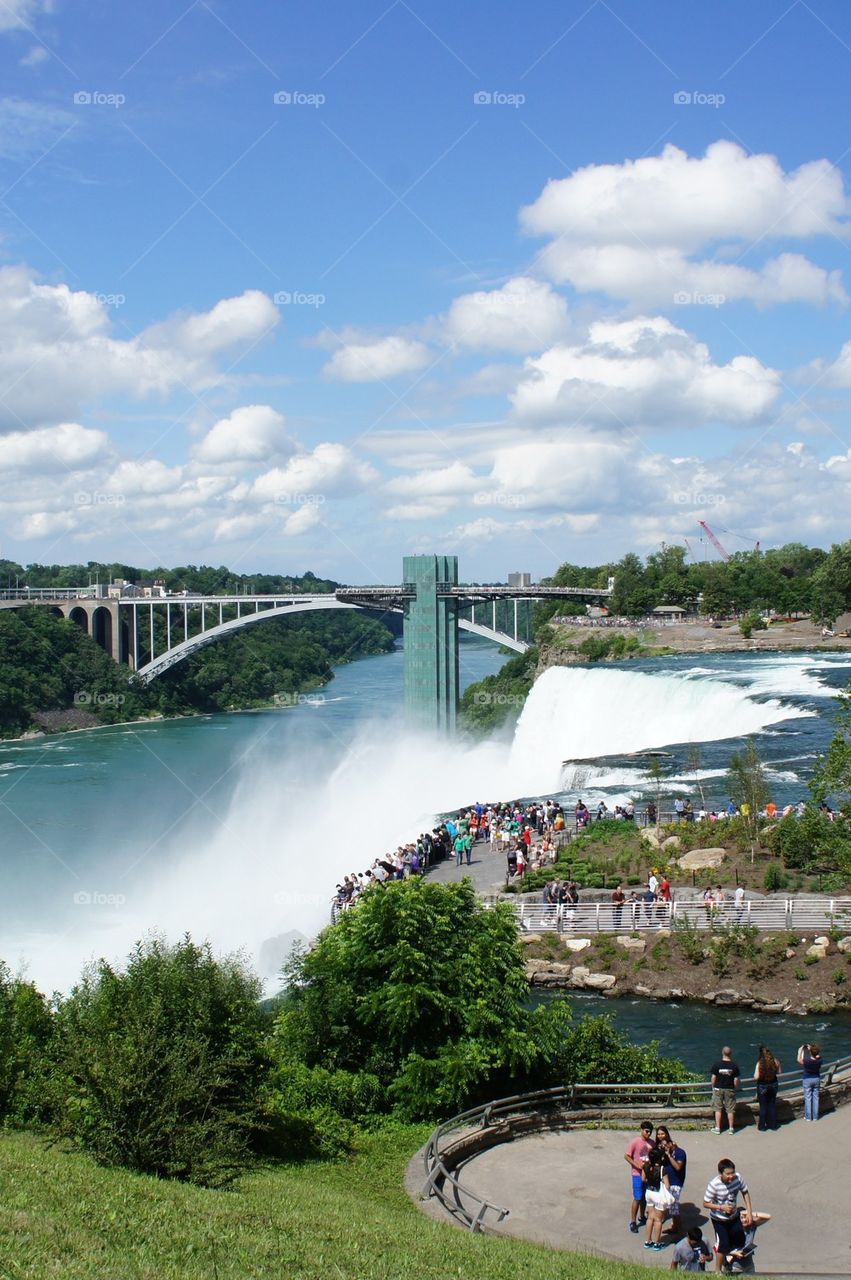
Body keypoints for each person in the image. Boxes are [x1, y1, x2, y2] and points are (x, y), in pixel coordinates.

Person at [703, 1159, 754, 1272]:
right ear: (721, 1173)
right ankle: (718, 1270)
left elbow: (745, 1192)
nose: (731, 1176)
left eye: (733, 1173)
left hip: (733, 1216)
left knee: (740, 1240)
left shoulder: (738, 1178)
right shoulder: (714, 1185)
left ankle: (727, 1259)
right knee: (724, 1244)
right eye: (728, 1174)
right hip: (719, 1219)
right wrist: (721, 1207)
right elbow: (705, 1203)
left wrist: (749, 1212)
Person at [654, 1125, 686, 1236]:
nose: (660, 1136)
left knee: (673, 1208)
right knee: (666, 1205)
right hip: (665, 1182)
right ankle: (675, 1227)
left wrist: (669, 1155)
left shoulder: (680, 1152)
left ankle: (679, 1229)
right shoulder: (660, 1151)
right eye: (658, 1134)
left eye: (662, 1134)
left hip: (675, 1183)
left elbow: (677, 1167)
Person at [624, 1121, 654, 1232]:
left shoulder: (652, 1143)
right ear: (641, 1130)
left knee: (645, 1197)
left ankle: (642, 1216)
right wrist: (636, 1165)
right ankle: (633, 1221)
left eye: (650, 1132)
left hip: (648, 1174)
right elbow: (626, 1156)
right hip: (637, 1174)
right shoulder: (635, 1142)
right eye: (646, 1131)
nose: (648, 1134)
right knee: (637, 1197)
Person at [642, 1146, 672, 1251]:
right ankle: (657, 1242)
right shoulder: (662, 1169)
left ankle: (648, 1241)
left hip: (649, 1192)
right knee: (658, 1220)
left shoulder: (645, 1166)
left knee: (650, 1218)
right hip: (658, 1194)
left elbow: (643, 1179)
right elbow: (667, 1186)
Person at [710, 1047, 741, 1134]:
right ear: (730, 1054)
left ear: (722, 1053)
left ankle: (718, 1128)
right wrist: (735, 1087)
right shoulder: (734, 1066)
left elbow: (713, 1078)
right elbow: (736, 1080)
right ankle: (731, 1128)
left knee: (718, 1109)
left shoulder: (717, 1064)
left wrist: (713, 1087)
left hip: (718, 1088)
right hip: (729, 1088)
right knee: (730, 1109)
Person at [753, 1045, 781, 1131]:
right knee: (772, 1104)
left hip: (762, 1086)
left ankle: (762, 1126)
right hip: (773, 1084)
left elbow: (756, 1077)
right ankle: (772, 1125)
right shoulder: (775, 1061)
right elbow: (779, 1072)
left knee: (763, 1106)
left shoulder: (759, 1063)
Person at [798, 1041, 822, 1121]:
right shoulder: (820, 1060)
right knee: (816, 1098)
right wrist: (811, 1049)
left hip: (807, 1079)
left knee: (808, 1098)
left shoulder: (807, 1061)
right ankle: (815, 1117)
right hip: (816, 1079)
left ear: (811, 1052)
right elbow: (817, 1055)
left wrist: (801, 1050)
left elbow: (799, 1059)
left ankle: (808, 1117)